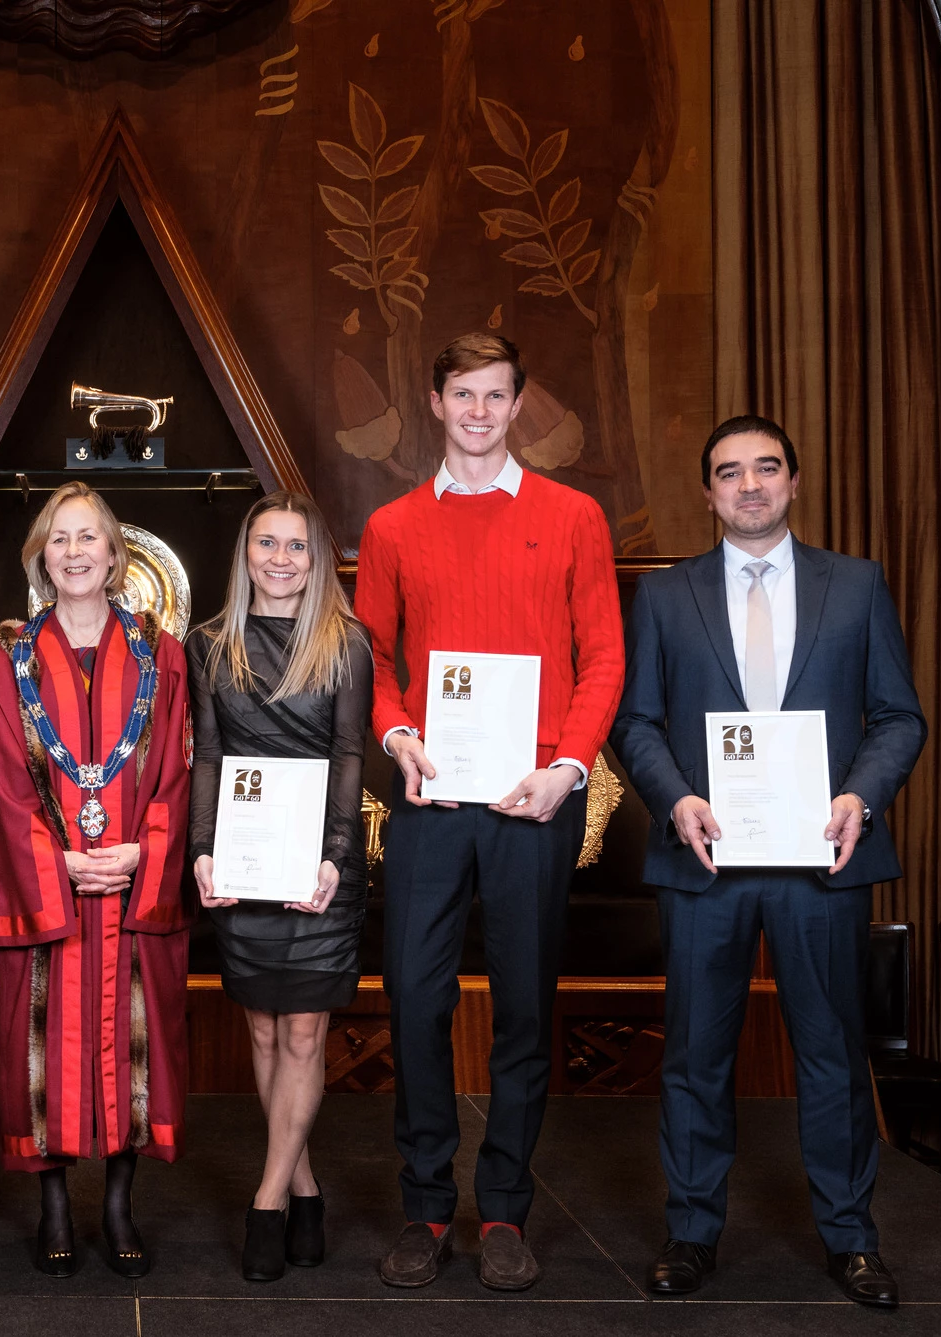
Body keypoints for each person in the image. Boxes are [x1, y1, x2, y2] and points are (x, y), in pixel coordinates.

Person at [609, 416, 926, 1309]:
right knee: (694, 1056)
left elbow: (898, 716)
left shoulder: (856, 585)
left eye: (764, 468)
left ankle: (852, 1240)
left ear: (792, 481)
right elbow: (633, 721)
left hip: (820, 859)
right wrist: (674, 797)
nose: (747, 485)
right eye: (727, 473)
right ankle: (690, 1232)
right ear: (706, 492)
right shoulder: (667, 597)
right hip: (706, 859)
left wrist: (858, 795)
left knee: (830, 1053)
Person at [354, 333, 623, 1292]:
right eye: (461, 394)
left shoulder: (574, 515)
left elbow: (604, 659)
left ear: (517, 405)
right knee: (415, 1001)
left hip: (531, 799)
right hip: (429, 799)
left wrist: (568, 765)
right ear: (435, 402)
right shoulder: (390, 527)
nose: (477, 411)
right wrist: (394, 738)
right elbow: (374, 664)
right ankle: (425, 1205)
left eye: (495, 395)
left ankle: (503, 1208)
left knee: (521, 1009)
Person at [0, 481, 192, 1280]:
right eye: (58, 539)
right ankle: (55, 1206)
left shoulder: (159, 656)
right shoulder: (9, 661)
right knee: (40, 1049)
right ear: (40, 556)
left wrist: (142, 853)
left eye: (88, 537)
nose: (73, 552)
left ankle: (118, 1203)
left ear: (114, 553)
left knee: (137, 1048)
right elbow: (1, 780)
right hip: (49, 890)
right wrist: (56, 861)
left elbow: (176, 771)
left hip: (135, 884)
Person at [189, 491, 372, 1282]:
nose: (280, 559)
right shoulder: (208, 642)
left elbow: (349, 757)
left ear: (315, 557)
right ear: (246, 553)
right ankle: (303, 1184)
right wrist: (201, 849)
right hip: (244, 855)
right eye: (266, 543)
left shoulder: (346, 642)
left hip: (320, 862)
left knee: (303, 1032)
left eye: (296, 546)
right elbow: (204, 753)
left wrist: (334, 855)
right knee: (263, 1031)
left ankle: (266, 1199)